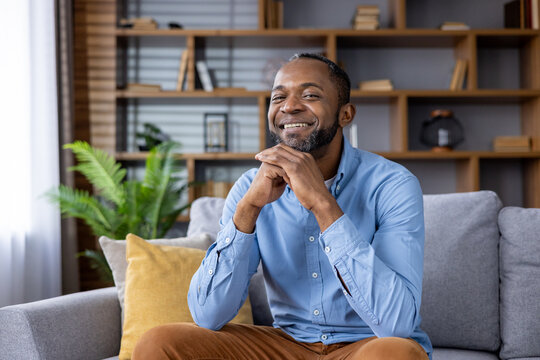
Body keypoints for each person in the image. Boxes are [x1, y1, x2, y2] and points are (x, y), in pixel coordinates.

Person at [132, 53, 433, 360]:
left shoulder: (392, 184)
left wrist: (322, 203)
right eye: (279, 97)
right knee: (159, 343)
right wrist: (249, 209)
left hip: (367, 345)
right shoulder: (249, 189)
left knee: (396, 353)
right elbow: (208, 316)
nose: (289, 106)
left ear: (346, 114)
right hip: (286, 345)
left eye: (310, 95)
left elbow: (396, 324)